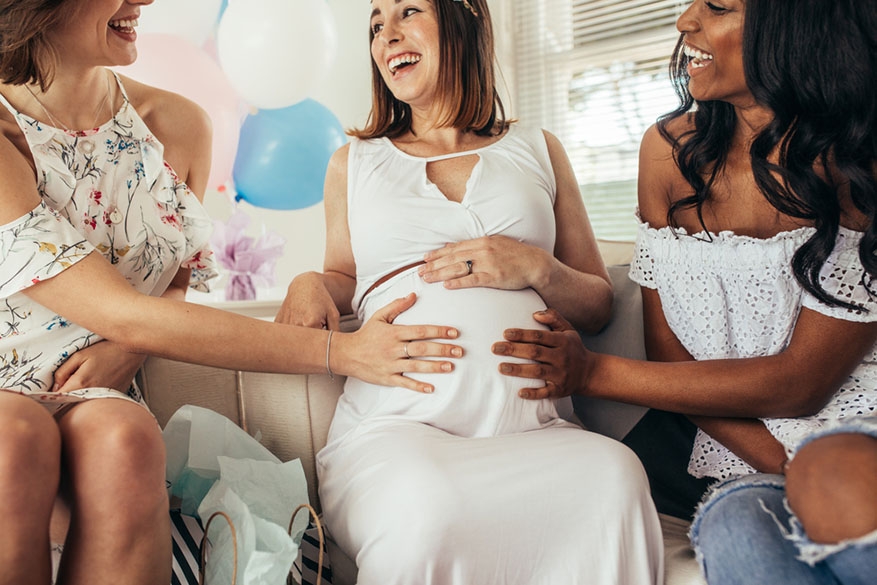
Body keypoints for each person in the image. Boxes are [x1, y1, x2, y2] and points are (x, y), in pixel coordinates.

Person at [0, 1, 462, 584]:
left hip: (102, 390)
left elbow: (169, 285)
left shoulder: (178, 124)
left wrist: (130, 348)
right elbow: (121, 311)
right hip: (5, 387)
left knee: (127, 440)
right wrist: (342, 352)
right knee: (13, 440)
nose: (142, 0)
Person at [275, 0, 664, 583]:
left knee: (616, 475)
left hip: (538, 430)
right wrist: (309, 281)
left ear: (465, 20)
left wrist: (535, 266)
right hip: (401, 429)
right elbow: (342, 279)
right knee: (426, 507)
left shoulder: (537, 147)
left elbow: (598, 305)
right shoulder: (354, 162)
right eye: (377, 24)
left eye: (408, 11)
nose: (388, 34)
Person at [493, 0, 877, 582]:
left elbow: (803, 382)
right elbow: (671, 350)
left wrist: (592, 373)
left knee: (830, 477)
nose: (685, 21)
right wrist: (779, 465)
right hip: (739, 459)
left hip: (854, 432)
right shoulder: (669, 151)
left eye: (717, 6)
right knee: (732, 528)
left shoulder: (854, 164)